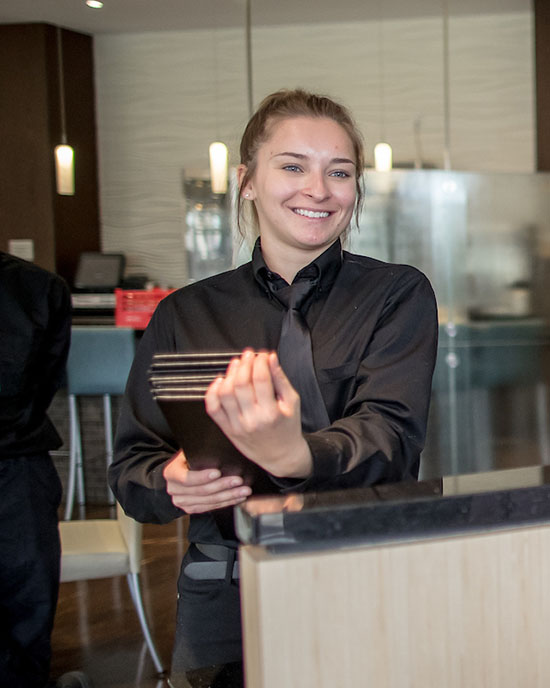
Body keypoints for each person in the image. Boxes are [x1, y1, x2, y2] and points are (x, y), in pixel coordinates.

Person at [109, 89, 438, 680]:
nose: (318, 189)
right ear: (248, 180)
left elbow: (392, 434)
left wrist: (296, 453)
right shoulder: (183, 314)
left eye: (339, 172)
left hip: (359, 568)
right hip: (223, 582)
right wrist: (171, 482)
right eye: (292, 166)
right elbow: (132, 469)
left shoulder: (398, 294)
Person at [0, 252, 71, 687]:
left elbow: (44, 384)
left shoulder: (37, 288)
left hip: (16, 472)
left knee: (25, 622)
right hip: (18, 464)